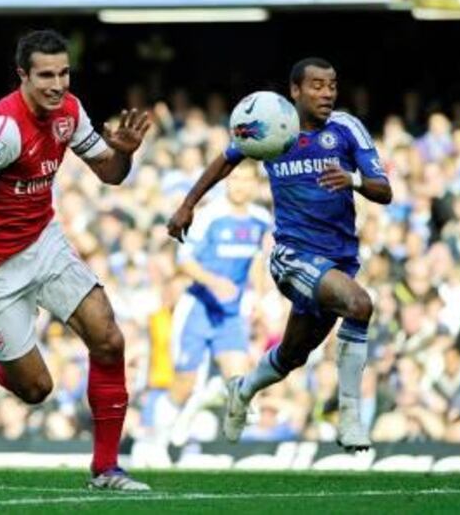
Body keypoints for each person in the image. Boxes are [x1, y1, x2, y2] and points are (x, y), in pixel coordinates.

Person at [0, 30, 151, 490]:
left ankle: (105, 469)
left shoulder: (70, 111)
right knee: (36, 390)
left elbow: (111, 176)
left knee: (109, 338)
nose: (57, 84)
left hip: (43, 241)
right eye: (45, 75)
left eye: (63, 73)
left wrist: (122, 154)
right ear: (23, 75)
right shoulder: (1, 130)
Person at [168, 57, 392, 451]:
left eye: (332, 85)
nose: (327, 93)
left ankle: (243, 388)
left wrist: (353, 178)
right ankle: (351, 415)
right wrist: (188, 205)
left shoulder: (346, 128)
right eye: (317, 86)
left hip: (338, 260)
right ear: (295, 91)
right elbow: (224, 161)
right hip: (291, 256)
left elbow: (383, 190)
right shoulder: (272, 127)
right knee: (359, 304)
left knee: (292, 357)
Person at [160, 161, 270, 446]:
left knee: (240, 385)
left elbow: (257, 260)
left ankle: (210, 401)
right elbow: (183, 262)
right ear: (226, 182)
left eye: (247, 180)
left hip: (231, 314)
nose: (240, 185)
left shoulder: (260, 219)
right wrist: (214, 282)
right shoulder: (209, 215)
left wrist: (258, 297)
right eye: (235, 179)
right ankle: (159, 437)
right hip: (198, 307)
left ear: (256, 185)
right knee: (183, 384)